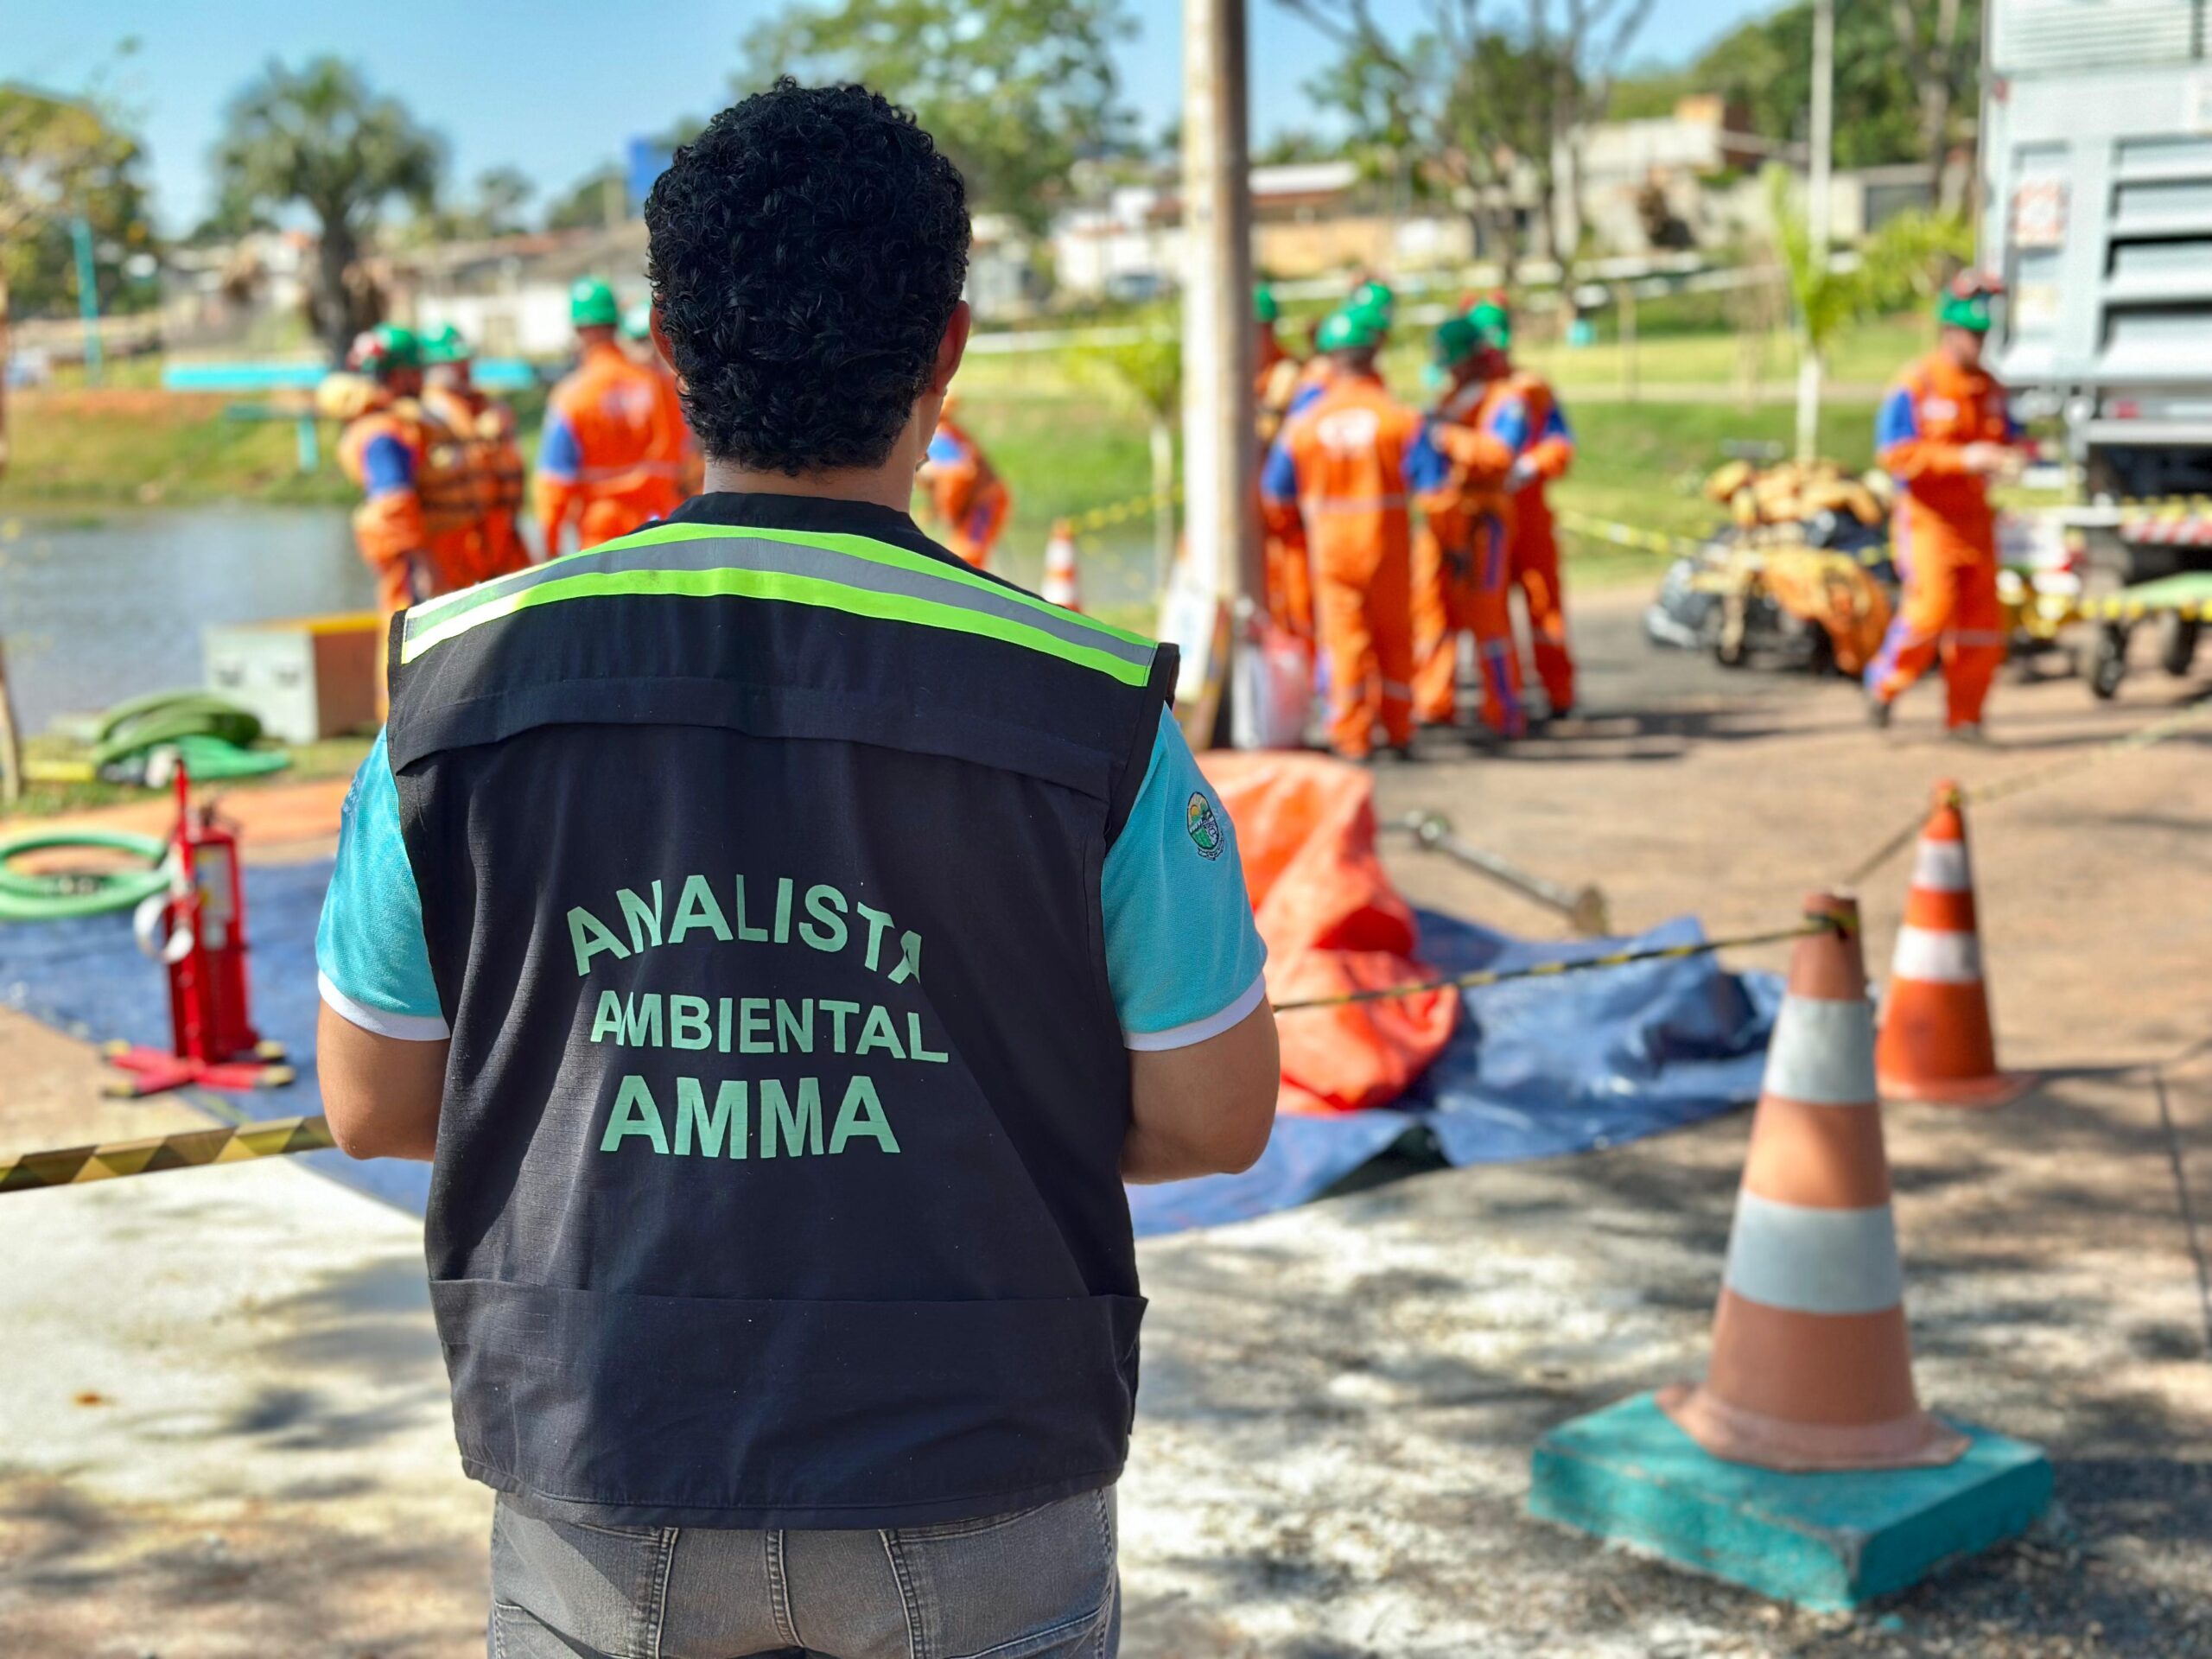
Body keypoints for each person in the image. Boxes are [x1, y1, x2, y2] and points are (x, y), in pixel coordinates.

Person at [314, 79, 1279, 1659]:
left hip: (601, 1456)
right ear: (949, 349)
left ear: (671, 350)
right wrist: (948, 1113)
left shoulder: (453, 685)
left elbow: (372, 1102)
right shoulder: (1090, 706)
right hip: (979, 1457)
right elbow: (1213, 1116)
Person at [1262, 306, 1425, 761]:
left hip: (1331, 552)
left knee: (1343, 642)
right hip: (1388, 548)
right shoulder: (1400, 418)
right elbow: (1433, 487)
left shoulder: (1304, 425)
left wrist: (1292, 528)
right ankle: (1399, 728)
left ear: (1331, 359)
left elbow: (1275, 494)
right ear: (1373, 356)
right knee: (1395, 638)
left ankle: (1352, 736)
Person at [1864, 275, 2023, 740]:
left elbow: (2012, 440)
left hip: (1976, 521)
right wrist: (1962, 459)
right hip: (1927, 520)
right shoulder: (1917, 385)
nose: (1979, 343)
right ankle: (1884, 684)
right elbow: (1894, 453)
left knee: (1982, 627)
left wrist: (2013, 459)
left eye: (1984, 335)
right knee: (1929, 612)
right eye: (1972, 334)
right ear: (1949, 331)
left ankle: (1965, 717)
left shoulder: (1992, 389)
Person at [1408, 315, 1525, 738]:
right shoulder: (1448, 401)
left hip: (1483, 522)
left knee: (1488, 617)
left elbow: (1502, 453)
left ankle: (1504, 711)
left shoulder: (1505, 400)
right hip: (1442, 521)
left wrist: (1452, 439)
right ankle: (1434, 703)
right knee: (1432, 611)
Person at [1476, 299, 1580, 720]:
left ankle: (1559, 693)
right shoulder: (1467, 395)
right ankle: (1506, 702)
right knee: (1491, 613)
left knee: (1544, 606)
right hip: (1487, 519)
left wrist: (1532, 465)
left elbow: (1561, 443)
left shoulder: (1532, 390)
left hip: (1530, 514)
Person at [536, 276, 685, 555]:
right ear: (616, 323)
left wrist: (550, 547)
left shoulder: (571, 396)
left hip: (602, 538)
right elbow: (684, 457)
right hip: (661, 531)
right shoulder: (660, 385)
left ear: (578, 329)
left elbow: (554, 486)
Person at [419, 324, 531, 582]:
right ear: (433, 367)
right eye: (454, 362)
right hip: (453, 541)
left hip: (501, 535)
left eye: (465, 360)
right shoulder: (428, 415)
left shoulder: (488, 408)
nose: (464, 368)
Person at [917, 392, 1013, 569]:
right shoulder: (943, 433)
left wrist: (948, 510)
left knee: (967, 556)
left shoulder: (940, 436)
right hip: (974, 503)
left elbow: (960, 475)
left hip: (983, 502)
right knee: (961, 557)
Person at [625, 299, 706, 499]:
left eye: (652, 340)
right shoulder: (617, 397)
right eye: (640, 341)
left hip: (680, 498)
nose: (650, 351)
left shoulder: (685, 391)